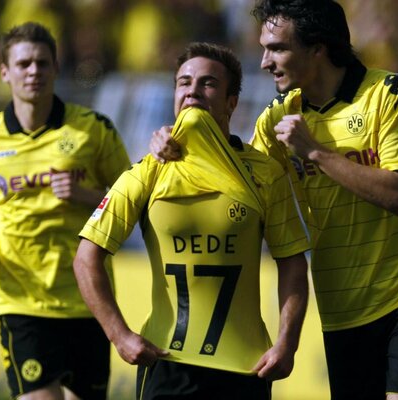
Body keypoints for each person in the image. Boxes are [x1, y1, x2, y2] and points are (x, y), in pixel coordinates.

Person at [150, 1, 398, 399]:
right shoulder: (276, 118)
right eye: (264, 48)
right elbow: (241, 185)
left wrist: (315, 152)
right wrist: (175, 141)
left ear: (318, 48)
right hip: (341, 305)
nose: (265, 62)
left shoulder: (389, 93)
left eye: (278, 48)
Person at [73, 42, 310, 399]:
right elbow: (85, 257)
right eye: (184, 82)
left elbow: (292, 264)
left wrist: (287, 344)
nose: (193, 90)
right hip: (168, 364)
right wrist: (119, 335)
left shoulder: (265, 172)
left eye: (208, 83)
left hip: (244, 368)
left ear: (232, 102)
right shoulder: (147, 171)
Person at [0, 22, 130, 400]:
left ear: (56, 69)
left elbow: (131, 197)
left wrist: (85, 195)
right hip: (20, 298)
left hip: (88, 297)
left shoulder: (93, 130)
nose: (34, 72)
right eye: (24, 64)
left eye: (42, 64)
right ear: (4, 72)